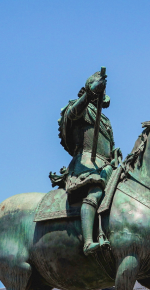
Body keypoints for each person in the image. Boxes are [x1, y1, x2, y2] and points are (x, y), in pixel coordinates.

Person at [50, 70, 120, 255]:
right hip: (86, 163)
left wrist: (115, 155)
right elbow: (72, 115)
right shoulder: (78, 107)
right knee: (95, 191)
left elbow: (108, 146)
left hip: (107, 166)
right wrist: (89, 95)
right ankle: (88, 242)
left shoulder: (105, 120)